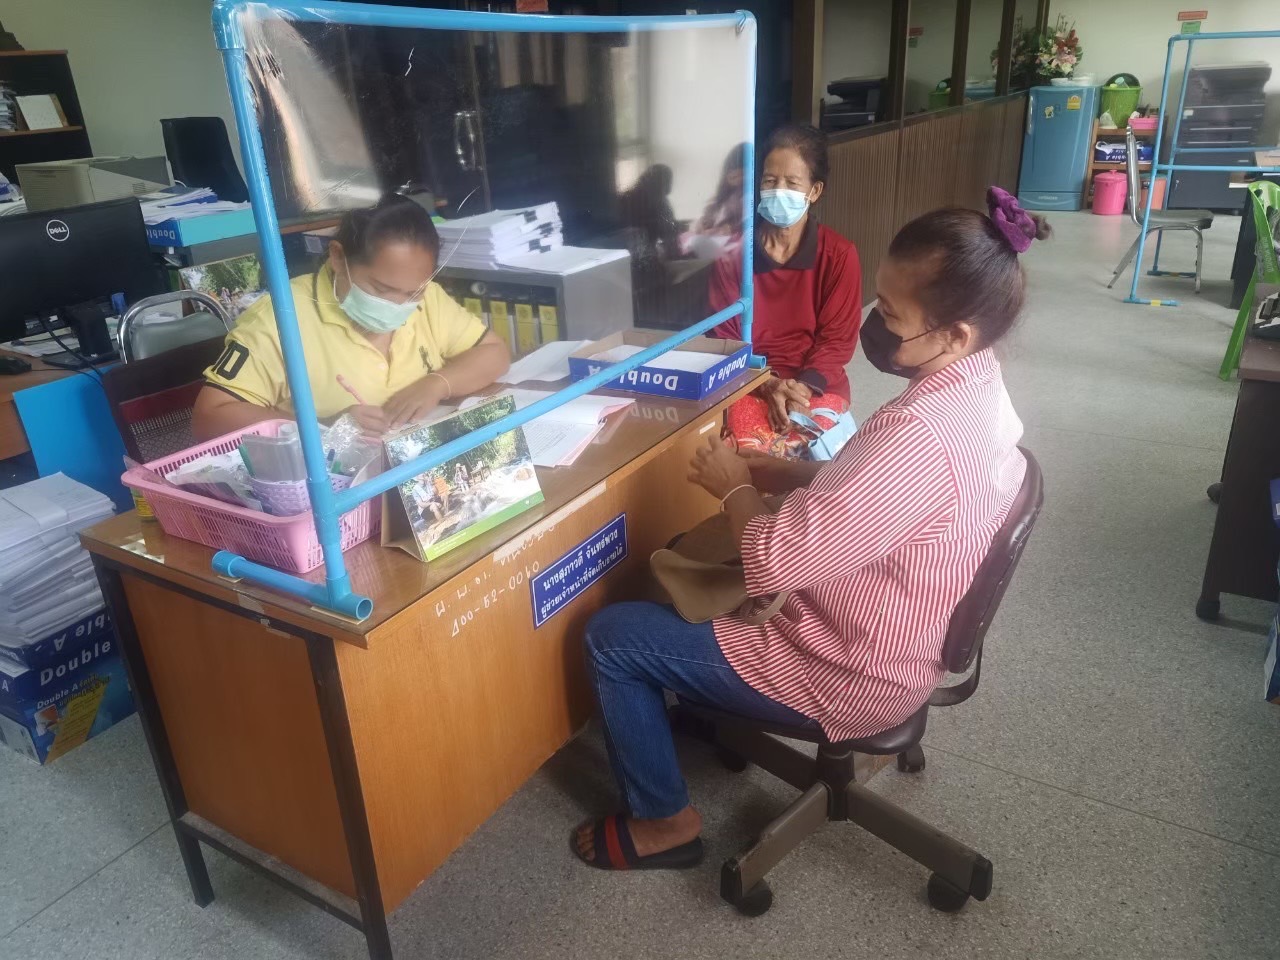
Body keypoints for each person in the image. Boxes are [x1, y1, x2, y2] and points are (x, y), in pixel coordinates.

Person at [571, 187, 1044, 870]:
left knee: (613, 636)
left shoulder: (918, 433)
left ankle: (663, 821)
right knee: (689, 567)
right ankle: (694, 702)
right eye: (879, 301)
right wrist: (785, 473)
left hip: (852, 670)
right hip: (905, 634)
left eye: (894, 315)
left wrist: (733, 484)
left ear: (956, 334)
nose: (877, 324)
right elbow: (890, 496)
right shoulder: (980, 389)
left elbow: (775, 561)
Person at [193, 194, 510, 440]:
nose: (398, 306)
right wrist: (324, 429)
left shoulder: (430, 300)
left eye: (413, 293)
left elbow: (494, 352)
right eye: (381, 289)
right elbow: (210, 417)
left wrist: (437, 384)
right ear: (338, 257)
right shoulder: (280, 319)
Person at [709, 124, 862, 433]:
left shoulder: (839, 255)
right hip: (747, 380)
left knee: (820, 452)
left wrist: (801, 389)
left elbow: (836, 342)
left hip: (817, 382)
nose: (779, 191)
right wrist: (767, 384)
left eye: (792, 183)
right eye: (770, 180)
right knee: (742, 451)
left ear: (814, 191)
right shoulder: (733, 254)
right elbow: (724, 337)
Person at [682, 143, 748, 259]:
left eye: (742, 174)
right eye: (733, 176)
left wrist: (729, 229)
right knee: (687, 239)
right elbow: (708, 216)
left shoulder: (749, 196)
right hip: (713, 236)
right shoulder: (722, 197)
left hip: (732, 239)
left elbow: (746, 222)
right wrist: (702, 222)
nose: (737, 179)